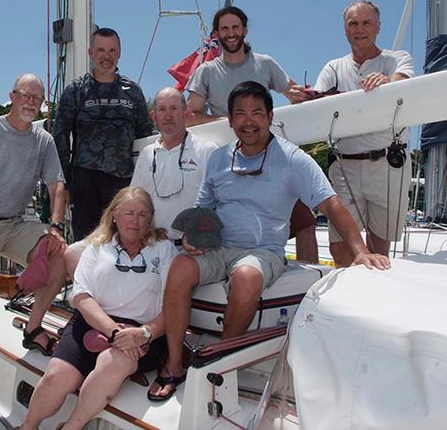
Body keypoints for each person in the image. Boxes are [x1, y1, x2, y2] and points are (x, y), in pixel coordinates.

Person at [147, 81, 391, 401]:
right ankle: (175, 364)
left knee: (246, 277)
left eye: (257, 113)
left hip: (264, 251)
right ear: (231, 120)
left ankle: (221, 361)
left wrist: (360, 251)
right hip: (219, 247)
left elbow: (330, 203)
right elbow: (205, 208)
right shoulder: (220, 159)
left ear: (270, 116)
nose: (249, 121)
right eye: (241, 114)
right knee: (179, 266)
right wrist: (194, 235)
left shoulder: (293, 159)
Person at [17, 187, 177, 430]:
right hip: (92, 324)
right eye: (128, 213)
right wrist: (113, 331)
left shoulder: (164, 250)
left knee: (112, 365)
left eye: (142, 215)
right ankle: (28, 426)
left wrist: (142, 334)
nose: (135, 221)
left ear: (150, 218)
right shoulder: (97, 245)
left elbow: (173, 306)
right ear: (114, 215)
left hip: (142, 333)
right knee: (56, 377)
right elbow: (81, 296)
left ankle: (71, 427)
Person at [0, 73, 67, 414]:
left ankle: (34, 324)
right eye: (26, 96)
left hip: (13, 223)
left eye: (37, 99)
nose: (31, 103)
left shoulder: (43, 140)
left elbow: (56, 183)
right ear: (11, 95)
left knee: (59, 257)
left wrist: (55, 226)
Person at [186, 6, 318, 263]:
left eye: (236, 27)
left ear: (244, 30)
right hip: (227, 167)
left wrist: (304, 95)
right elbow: (191, 117)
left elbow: (291, 92)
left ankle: (307, 288)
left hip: (269, 161)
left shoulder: (266, 64)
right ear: (216, 34)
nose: (231, 33)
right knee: (220, 228)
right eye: (225, 28)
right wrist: (229, 120)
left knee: (305, 221)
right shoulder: (207, 71)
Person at [290, 0, 414, 266]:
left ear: (378, 27)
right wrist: (300, 98)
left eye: (367, 22)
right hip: (345, 165)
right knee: (340, 248)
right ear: (345, 30)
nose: (360, 29)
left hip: (388, 165)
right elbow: (316, 102)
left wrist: (387, 82)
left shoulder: (397, 59)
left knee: (380, 247)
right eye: (353, 23)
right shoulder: (334, 67)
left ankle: (374, 302)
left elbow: (402, 82)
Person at [54, 27, 154, 241]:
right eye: (100, 50)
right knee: (86, 243)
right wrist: (65, 185)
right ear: (91, 53)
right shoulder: (76, 90)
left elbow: (146, 136)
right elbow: (60, 137)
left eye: (111, 50)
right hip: (84, 180)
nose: (106, 56)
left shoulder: (133, 92)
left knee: (123, 241)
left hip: (123, 181)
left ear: (119, 53)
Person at [130, 87, 218, 239]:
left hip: (194, 248)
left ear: (186, 113)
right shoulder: (146, 154)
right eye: (162, 109)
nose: (168, 116)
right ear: (154, 117)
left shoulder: (207, 151)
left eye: (174, 108)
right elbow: (134, 201)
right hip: (152, 246)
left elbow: (221, 202)